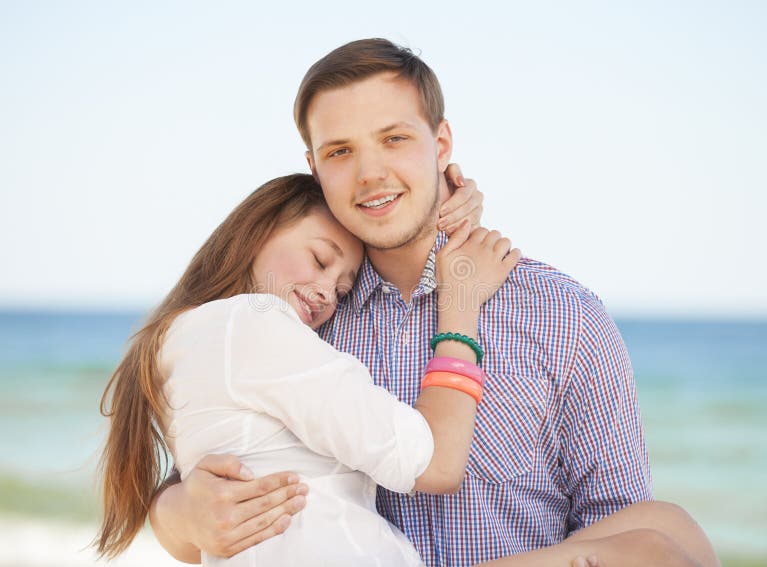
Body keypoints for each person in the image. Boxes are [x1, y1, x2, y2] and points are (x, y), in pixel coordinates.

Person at [148, 39, 719, 566]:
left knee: (666, 532)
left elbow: (609, 520)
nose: (372, 174)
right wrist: (179, 515)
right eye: (341, 151)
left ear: (440, 143)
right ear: (314, 167)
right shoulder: (299, 311)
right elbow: (210, 462)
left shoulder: (562, 314)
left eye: (394, 138)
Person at [95, 173, 516, 566]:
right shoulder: (251, 323)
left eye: (343, 289)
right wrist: (461, 304)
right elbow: (435, 463)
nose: (326, 293)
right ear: (258, 231)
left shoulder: (195, 336)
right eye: (318, 259)